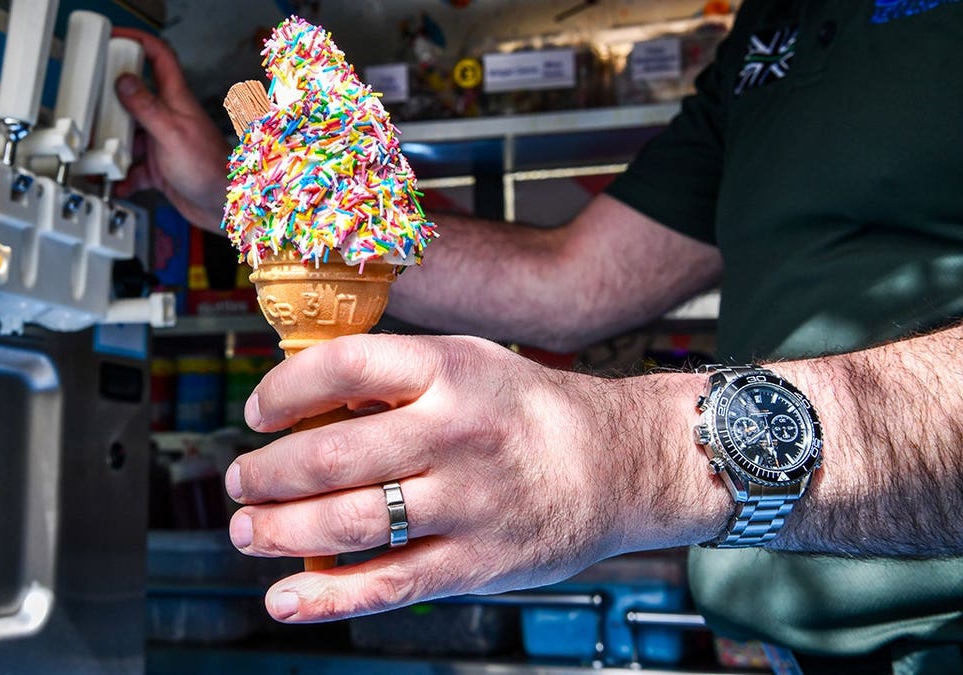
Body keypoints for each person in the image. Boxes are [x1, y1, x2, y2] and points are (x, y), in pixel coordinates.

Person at [111, 1, 963, 670]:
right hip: (790, 651)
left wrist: (636, 454)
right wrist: (241, 197)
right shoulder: (771, 29)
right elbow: (570, 283)